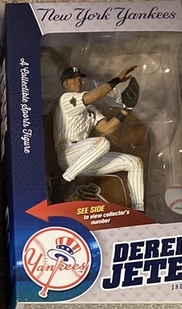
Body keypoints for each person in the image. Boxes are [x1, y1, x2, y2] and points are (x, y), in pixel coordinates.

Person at [53, 65, 144, 211]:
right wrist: (117, 80)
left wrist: (126, 110)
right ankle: (63, 181)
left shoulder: (90, 108)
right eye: (72, 80)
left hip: (85, 159)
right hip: (68, 153)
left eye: (79, 79)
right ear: (65, 84)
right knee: (102, 142)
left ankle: (139, 210)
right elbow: (93, 96)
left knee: (135, 162)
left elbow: (106, 128)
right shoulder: (66, 99)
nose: (77, 82)